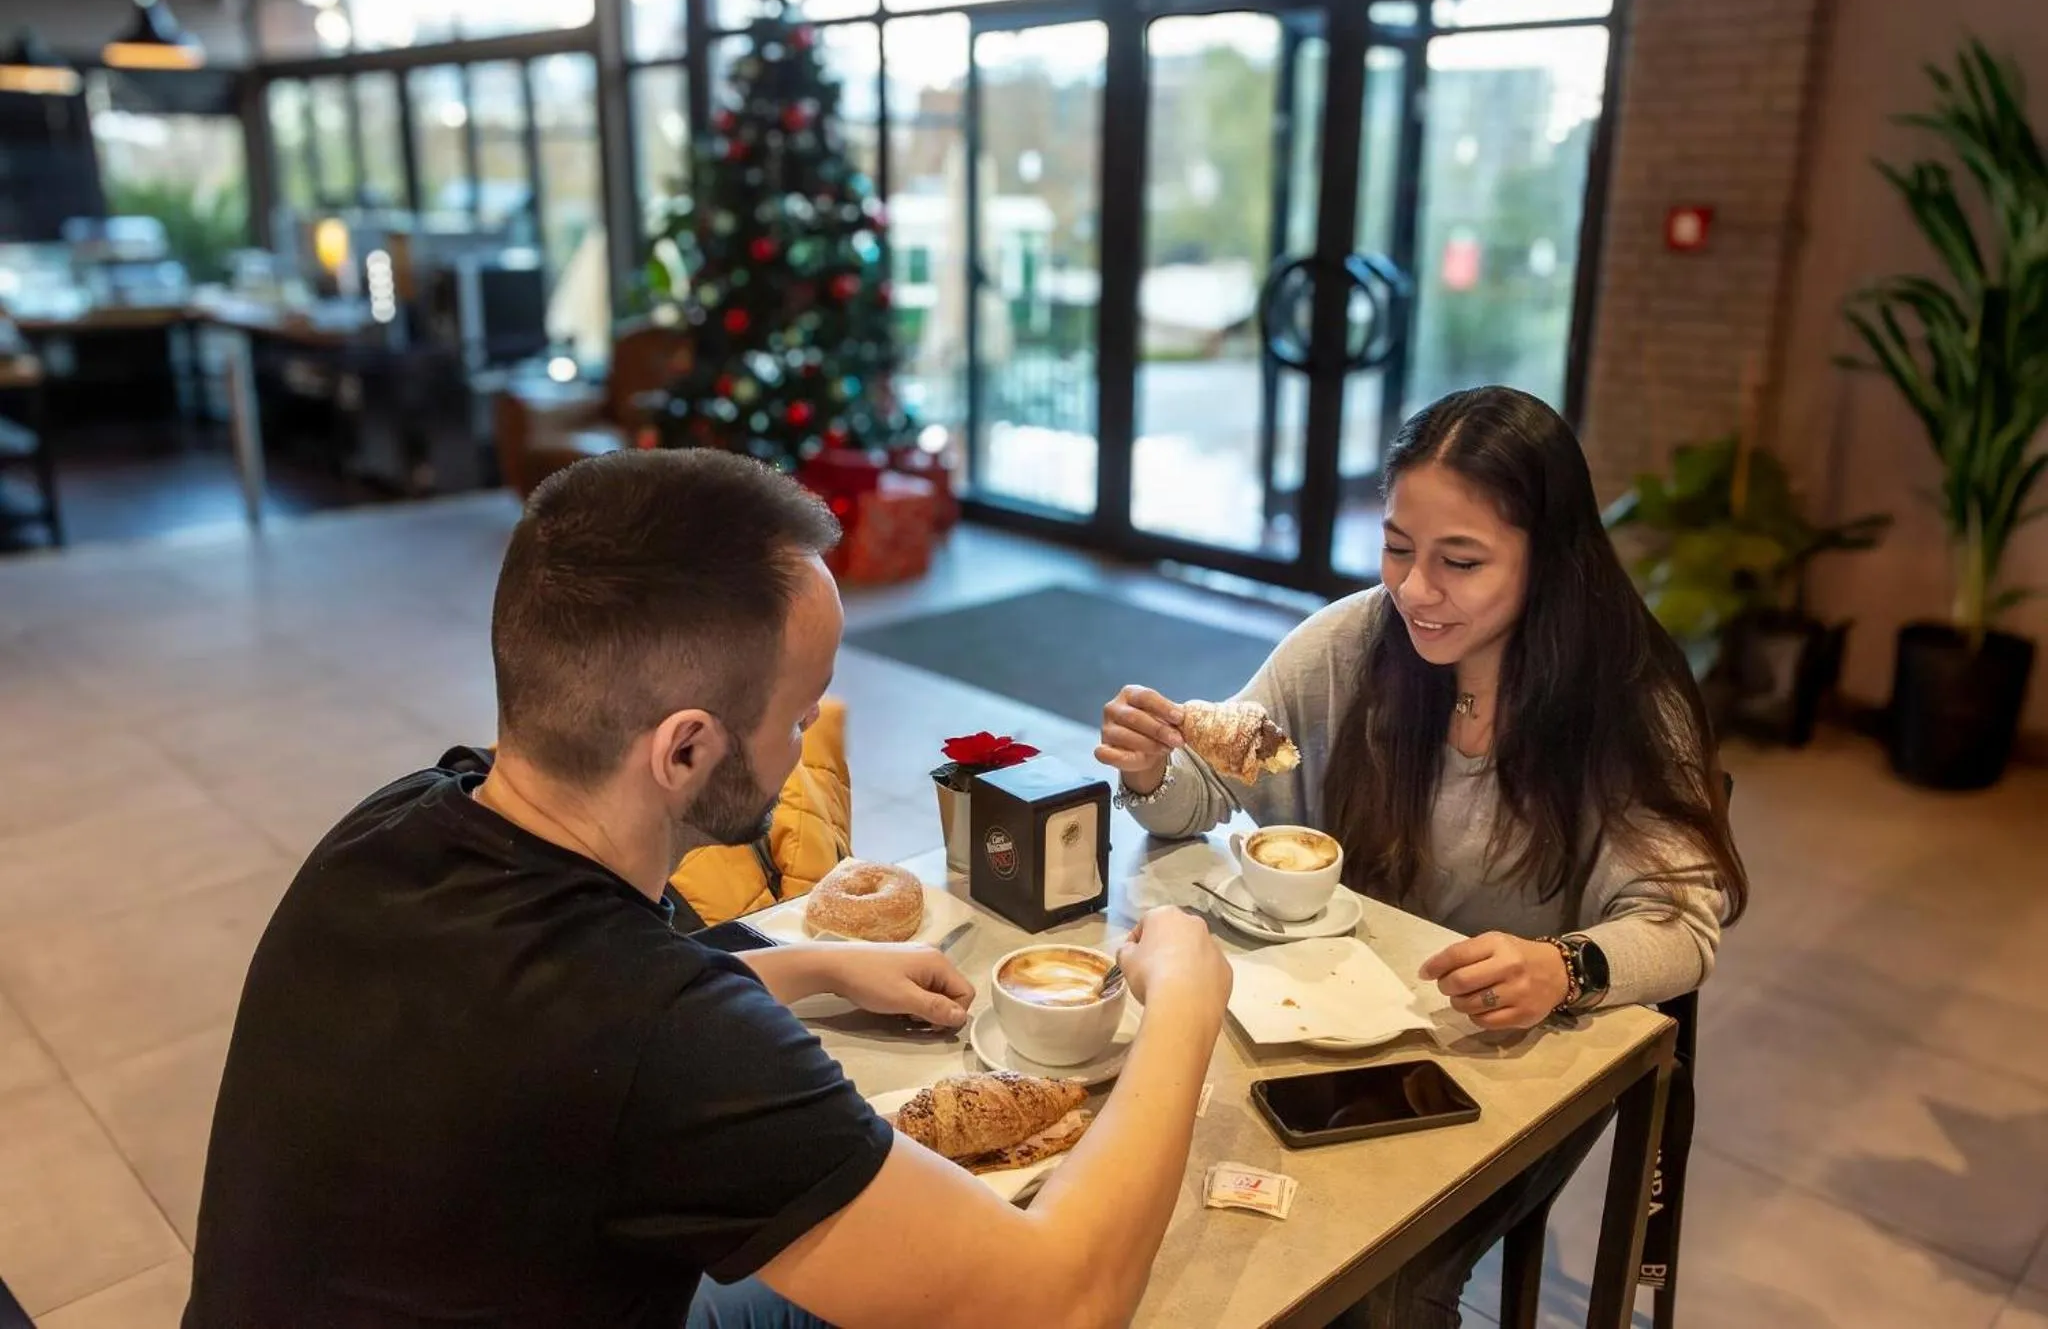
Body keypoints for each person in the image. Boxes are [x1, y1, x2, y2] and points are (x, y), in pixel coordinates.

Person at [185, 448, 1233, 1329]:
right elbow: (1063, 1298)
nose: (802, 742)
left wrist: (819, 965)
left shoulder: (400, 822)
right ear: (684, 750)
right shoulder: (663, 1035)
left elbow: (548, 1028)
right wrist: (1184, 999)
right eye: (797, 713)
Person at [1095, 386, 1746, 1328]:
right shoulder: (1355, 644)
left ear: (1551, 559)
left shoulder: (1625, 698)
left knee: (1382, 1293)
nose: (1414, 590)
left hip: (1515, 1047)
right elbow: (1217, 789)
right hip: (1344, 1023)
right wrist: (1157, 767)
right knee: (1188, 1195)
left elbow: (1682, 924)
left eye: (1462, 562)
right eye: (1398, 546)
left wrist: (1564, 964)